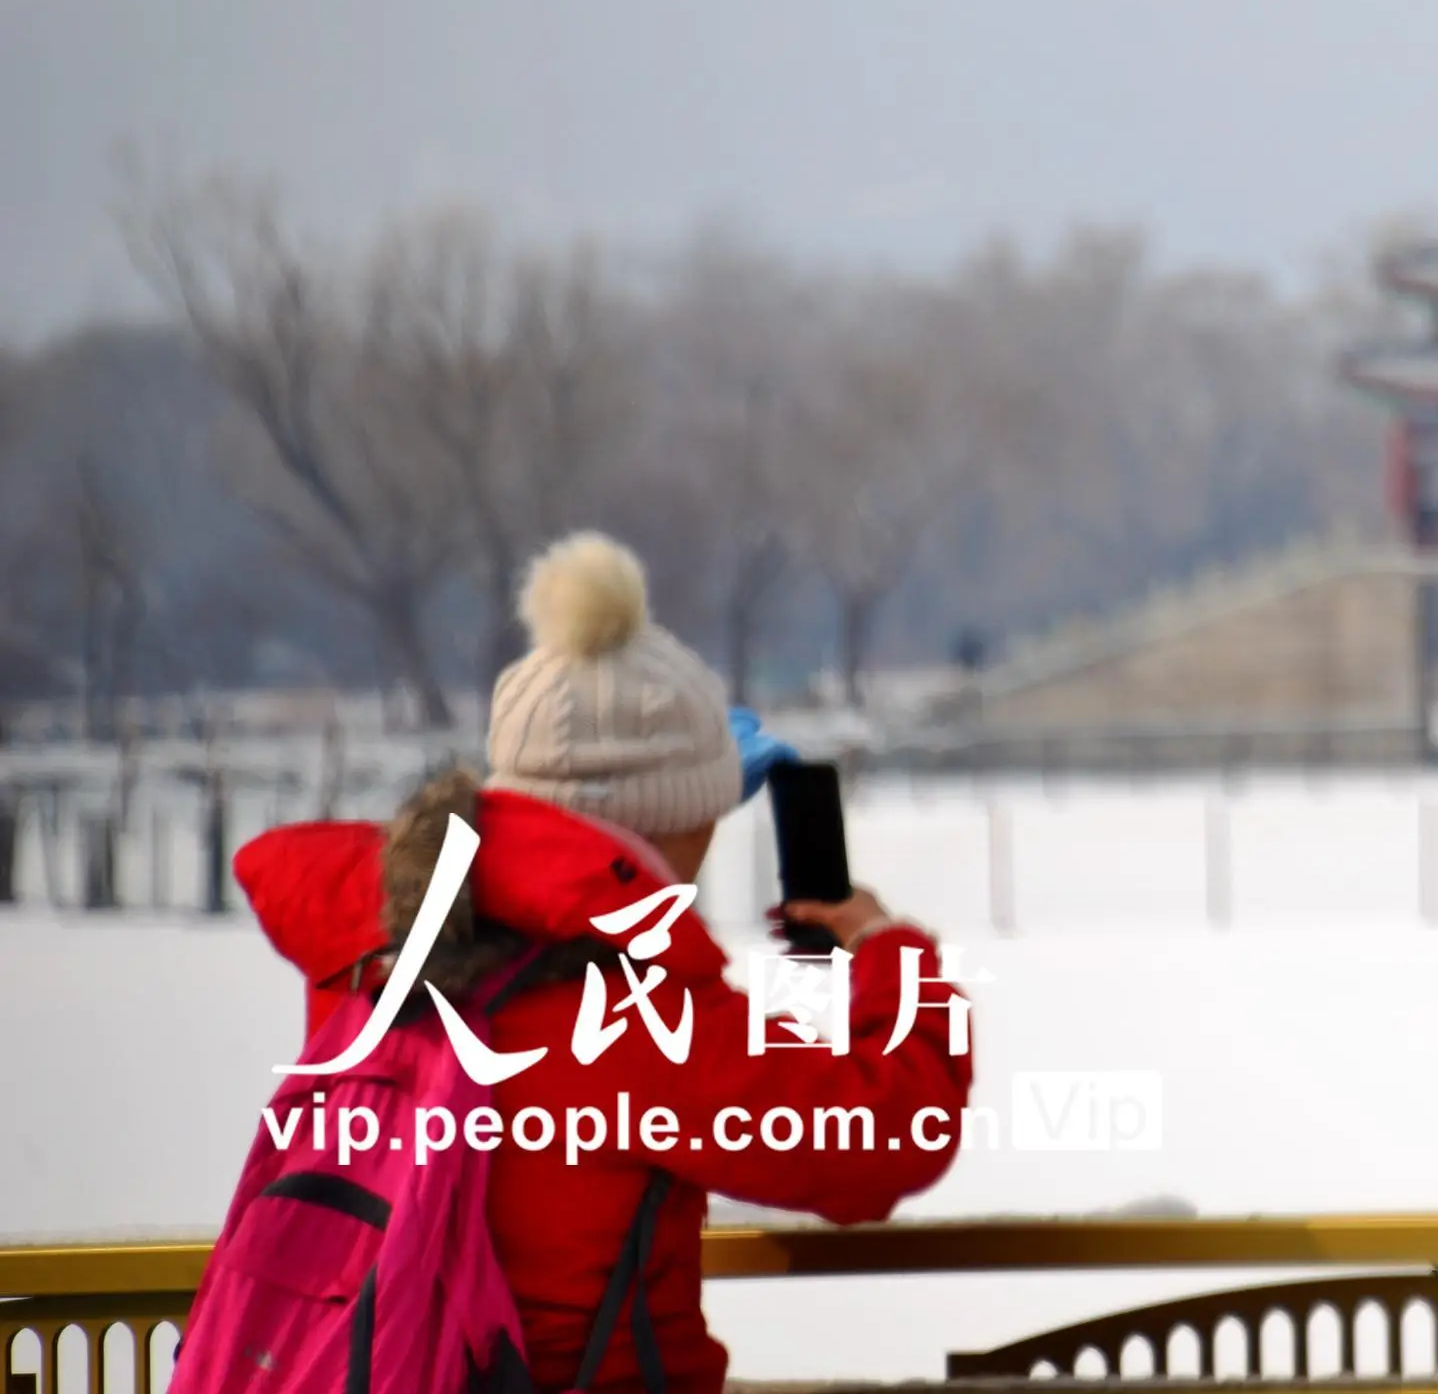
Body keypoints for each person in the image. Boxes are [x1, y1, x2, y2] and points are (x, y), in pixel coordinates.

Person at [232, 534, 976, 1394]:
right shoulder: (631, 1010)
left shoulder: (376, 946)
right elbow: (880, 1140)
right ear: (670, 821)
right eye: (708, 811)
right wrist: (894, 956)